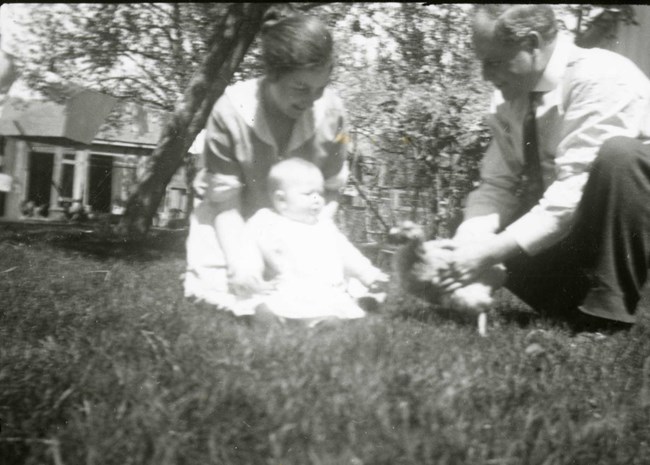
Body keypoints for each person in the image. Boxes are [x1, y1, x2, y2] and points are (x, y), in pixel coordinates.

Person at [437, 4, 650, 331]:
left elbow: (570, 198)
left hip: (630, 226)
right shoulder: (511, 98)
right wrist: (470, 245)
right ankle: (571, 307)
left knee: (620, 156)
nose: (485, 76)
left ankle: (610, 313)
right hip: (581, 229)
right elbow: (496, 184)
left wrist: (487, 253)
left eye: (493, 61)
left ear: (533, 44)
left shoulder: (601, 77)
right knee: (475, 222)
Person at [184, 9, 350, 315]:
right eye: (300, 88)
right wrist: (242, 260)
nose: (312, 99)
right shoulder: (230, 112)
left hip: (300, 226)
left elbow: (330, 192)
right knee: (231, 287)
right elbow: (225, 204)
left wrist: (311, 244)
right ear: (272, 75)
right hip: (232, 220)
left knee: (323, 290)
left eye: (321, 88)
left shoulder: (332, 112)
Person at [243, 157, 387, 324]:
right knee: (265, 305)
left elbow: (347, 253)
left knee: (330, 312)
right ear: (281, 200)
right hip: (287, 288)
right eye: (308, 194)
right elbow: (248, 246)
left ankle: (325, 322)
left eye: (320, 193)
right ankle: (269, 317)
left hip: (323, 290)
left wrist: (368, 274)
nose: (317, 199)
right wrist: (250, 272)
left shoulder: (324, 225)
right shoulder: (266, 221)